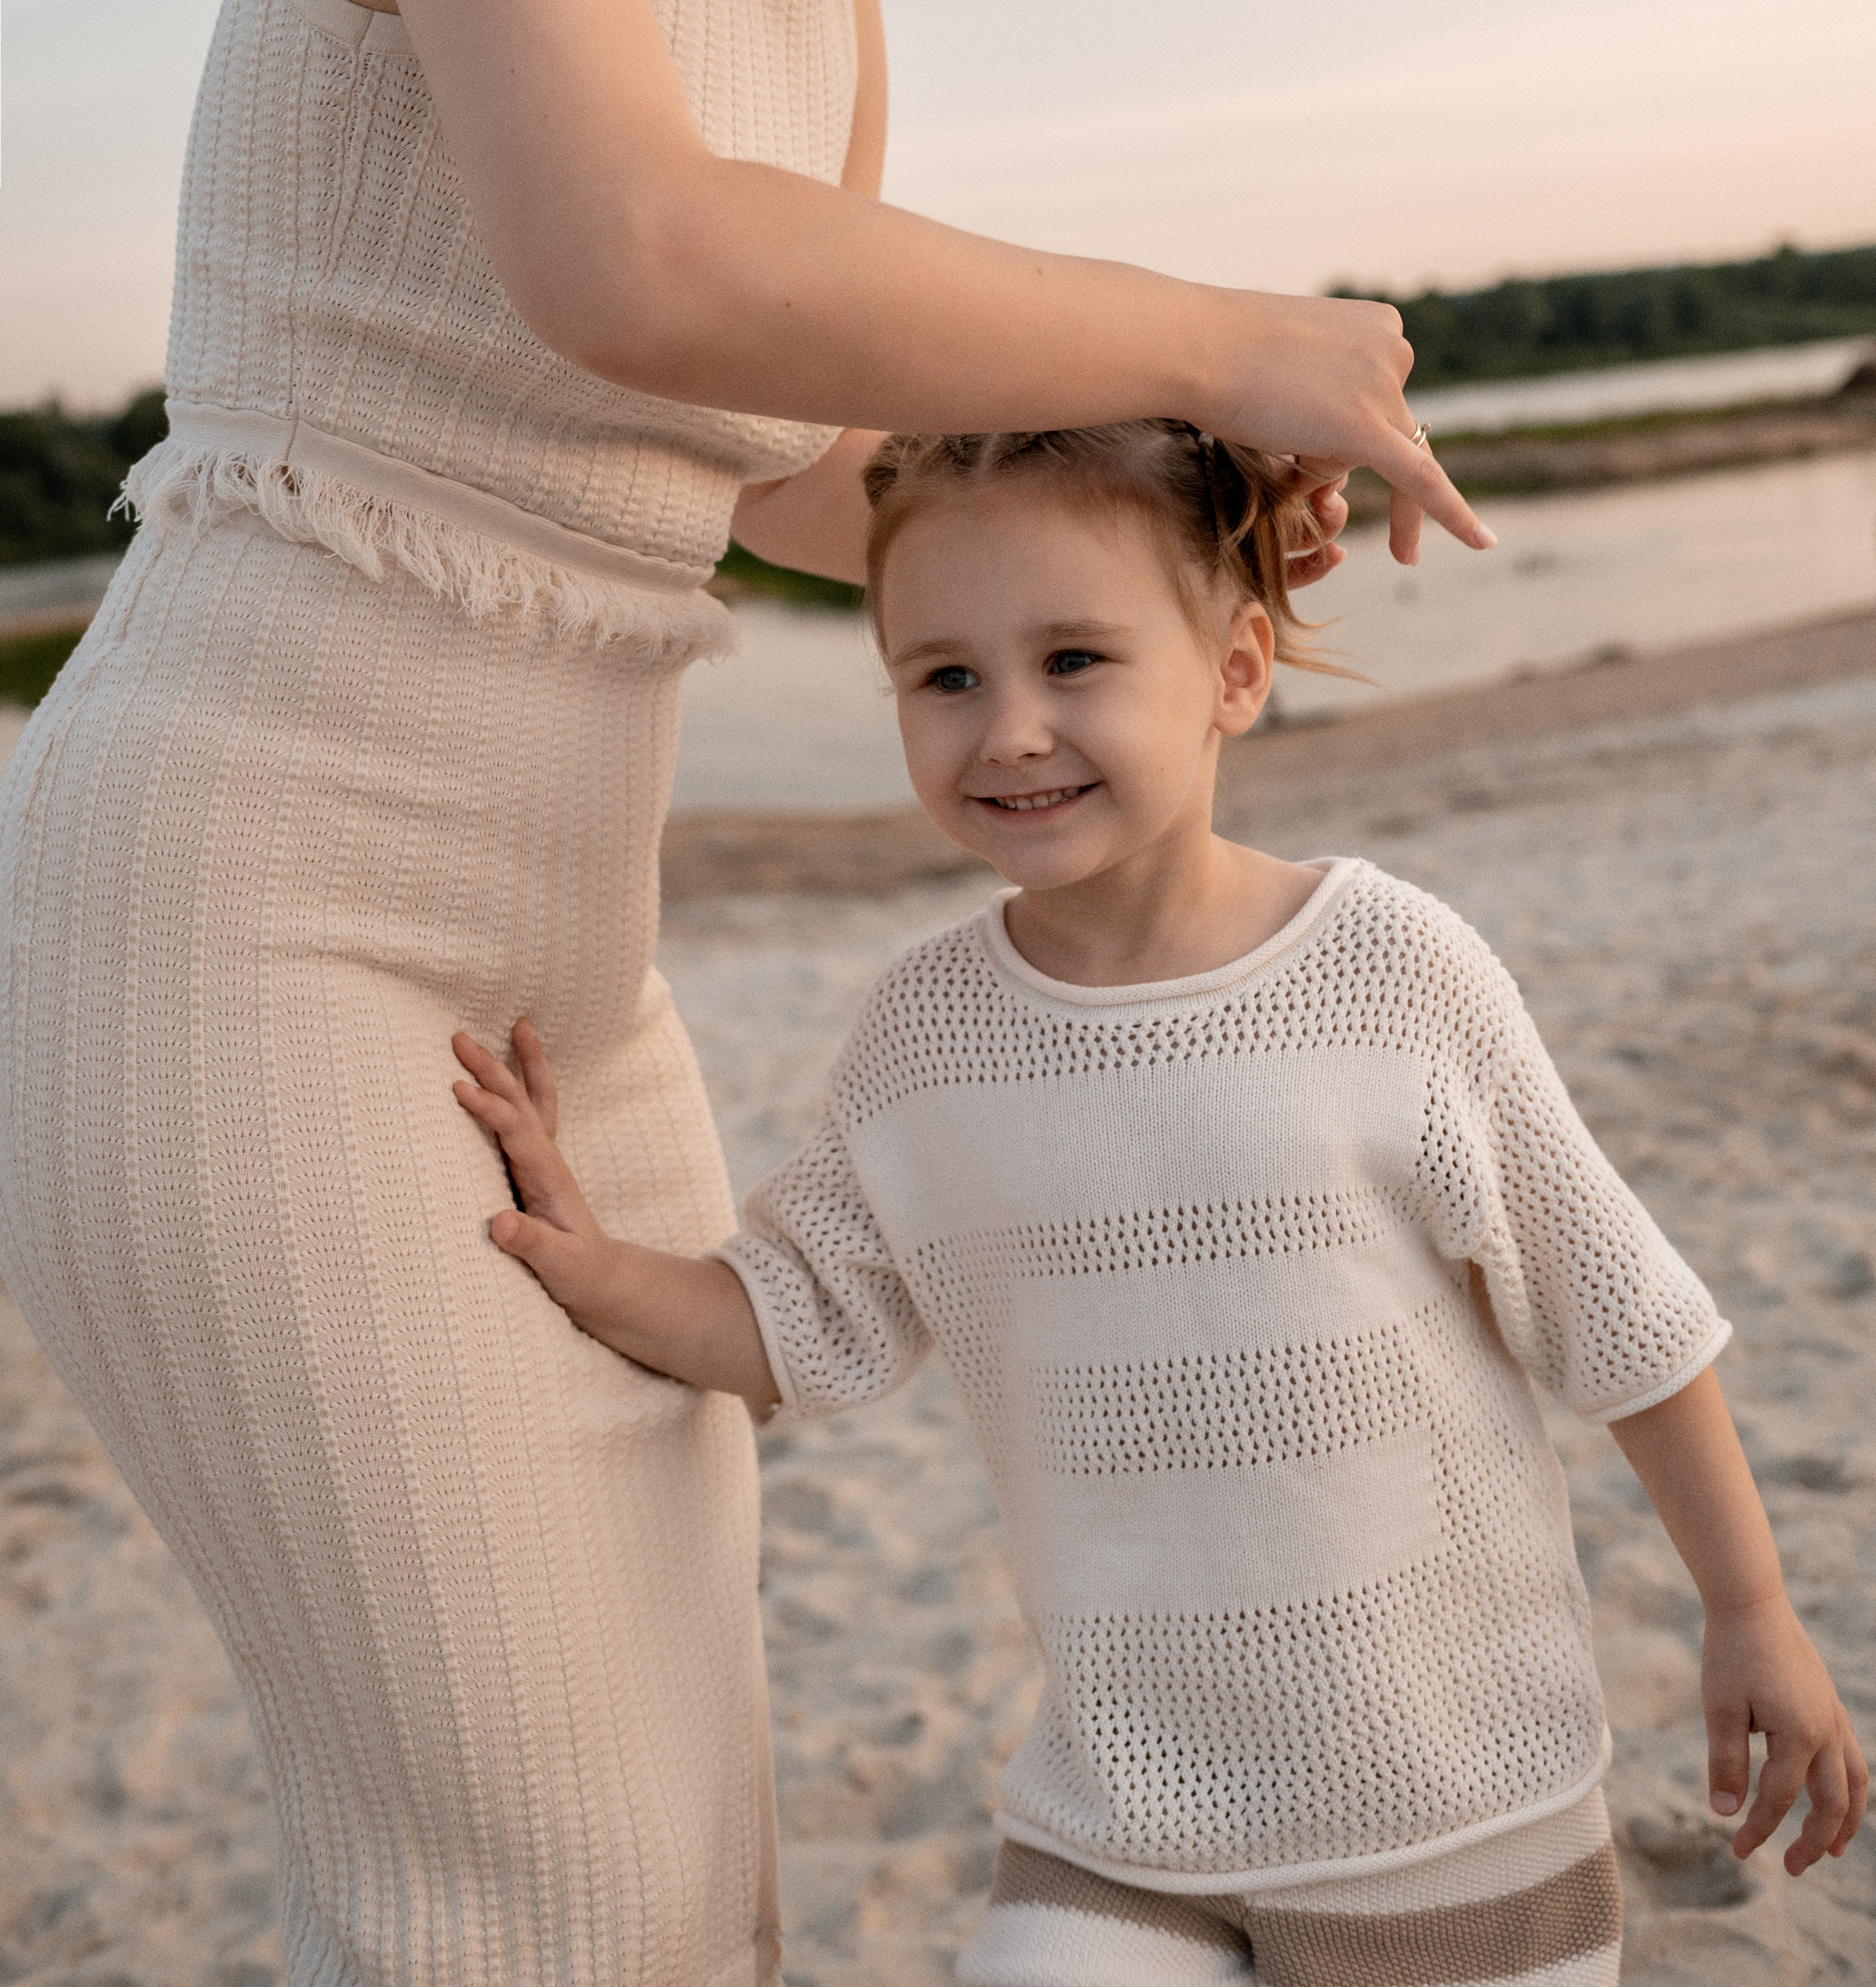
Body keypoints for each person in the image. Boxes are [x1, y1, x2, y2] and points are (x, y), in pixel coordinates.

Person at [0, 0, 1493, 1987]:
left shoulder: (818, 0)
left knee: (691, 1874)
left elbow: (798, 473)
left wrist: (1181, 501)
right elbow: (633, 263)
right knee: (518, 1900)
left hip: (578, 1000)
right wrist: (1231, 316)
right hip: (241, 928)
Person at [454, 420, 1868, 1987]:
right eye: (943, 678)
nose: (1007, 731)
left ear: (1234, 671)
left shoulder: (1390, 969)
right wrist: (587, 1262)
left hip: (1446, 1805)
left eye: (1072, 658)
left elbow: (1624, 1317)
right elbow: (792, 1313)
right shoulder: (920, 1038)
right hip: (1122, 1815)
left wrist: (1749, 1609)